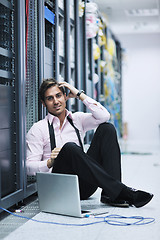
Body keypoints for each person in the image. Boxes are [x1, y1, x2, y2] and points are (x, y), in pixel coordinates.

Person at [26, 78, 153, 208]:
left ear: (65, 96)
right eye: (50, 98)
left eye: (58, 96)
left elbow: (104, 116)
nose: (56, 101)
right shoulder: (38, 129)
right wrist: (49, 162)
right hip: (60, 187)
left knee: (107, 129)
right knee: (70, 148)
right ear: (43, 103)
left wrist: (79, 94)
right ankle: (122, 191)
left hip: (84, 186)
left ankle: (111, 194)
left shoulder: (77, 119)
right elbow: (29, 167)